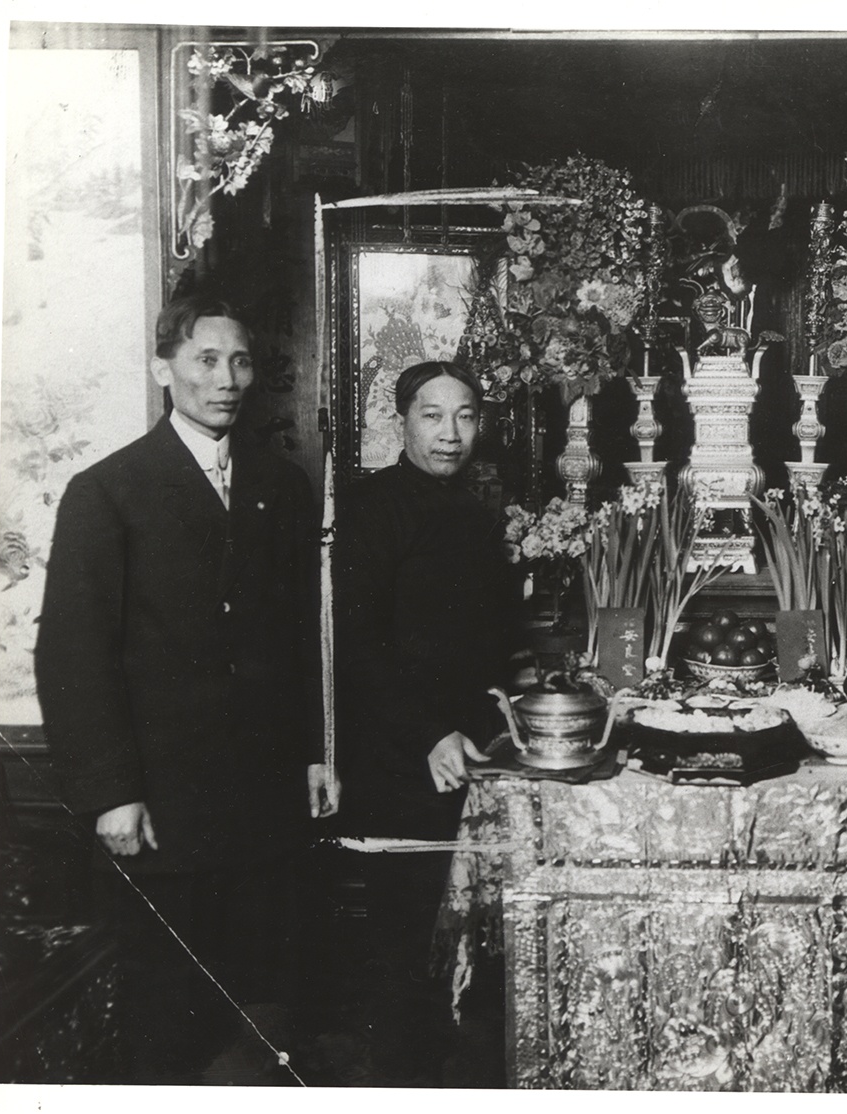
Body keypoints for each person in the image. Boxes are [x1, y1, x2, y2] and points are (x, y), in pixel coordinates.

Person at [35, 294, 339, 1084]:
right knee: (169, 1021)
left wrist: (314, 753)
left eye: (239, 361)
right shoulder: (108, 492)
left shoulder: (280, 484)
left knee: (263, 1012)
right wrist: (110, 793)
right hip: (163, 809)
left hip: (264, 804)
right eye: (206, 360)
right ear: (162, 368)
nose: (226, 379)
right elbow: (72, 656)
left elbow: (303, 634)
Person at [336, 360, 516, 1086]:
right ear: (401, 421)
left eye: (465, 415)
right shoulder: (368, 507)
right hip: (399, 756)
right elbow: (357, 642)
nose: (450, 432)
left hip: (468, 750)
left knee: (464, 939)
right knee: (407, 944)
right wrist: (427, 735)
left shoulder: (475, 510)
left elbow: (484, 639)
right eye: (432, 415)